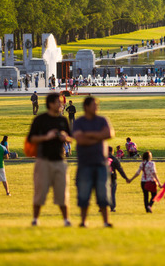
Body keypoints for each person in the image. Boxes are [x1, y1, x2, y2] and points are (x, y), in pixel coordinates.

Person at [27, 92, 73, 227]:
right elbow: (31, 138)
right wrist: (46, 137)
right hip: (43, 160)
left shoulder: (62, 120)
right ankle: (35, 219)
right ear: (51, 104)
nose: (61, 104)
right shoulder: (40, 120)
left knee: (62, 192)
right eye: (59, 102)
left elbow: (71, 138)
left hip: (60, 160)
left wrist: (65, 137)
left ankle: (66, 220)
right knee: (40, 192)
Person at [72, 96, 114, 227]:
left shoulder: (102, 120)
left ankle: (106, 222)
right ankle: (84, 221)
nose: (97, 108)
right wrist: (99, 137)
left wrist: (89, 134)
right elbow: (80, 140)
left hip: (101, 163)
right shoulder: (79, 122)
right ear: (86, 107)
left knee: (103, 194)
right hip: (85, 163)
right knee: (84, 194)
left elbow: (110, 134)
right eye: (94, 105)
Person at [107, 145, 129, 212]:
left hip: (103, 178)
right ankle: (112, 207)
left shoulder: (101, 158)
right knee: (112, 193)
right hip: (112, 177)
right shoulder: (114, 159)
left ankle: (102, 207)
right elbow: (120, 169)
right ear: (112, 151)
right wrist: (125, 178)